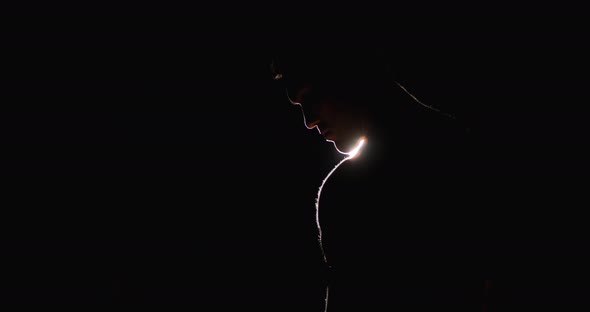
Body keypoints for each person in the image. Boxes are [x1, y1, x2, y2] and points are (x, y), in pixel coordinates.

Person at [269, 32, 489, 312]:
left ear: (348, 72)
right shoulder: (467, 152)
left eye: (311, 96)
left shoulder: (347, 193)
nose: (309, 121)